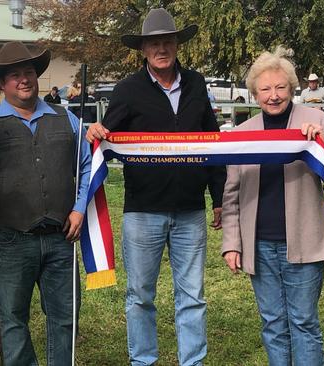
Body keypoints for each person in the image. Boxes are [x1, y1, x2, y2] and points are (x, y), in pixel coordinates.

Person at [85, 8, 225, 366]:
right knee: (140, 294)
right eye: (154, 43)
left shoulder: (196, 84)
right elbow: (107, 135)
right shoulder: (128, 89)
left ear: (177, 44)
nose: (161, 48)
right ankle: (143, 361)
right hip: (143, 211)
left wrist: (219, 197)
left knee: (192, 294)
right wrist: (96, 132)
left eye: (167, 41)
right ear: (144, 49)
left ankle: (192, 361)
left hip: (191, 209)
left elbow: (210, 144)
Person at [0, 41, 91, 366]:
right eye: (15, 75)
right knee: (12, 321)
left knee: (66, 318)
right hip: (11, 240)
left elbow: (87, 164)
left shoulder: (67, 120)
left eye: (29, 72)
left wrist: (79, 207)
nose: (24, 79)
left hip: (62, 238)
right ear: (3, 84)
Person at [221, 47, 324, 366]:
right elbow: (232, 193)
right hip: (259, 244)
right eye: (265, 89)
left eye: (280, 87)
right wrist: (232, 244)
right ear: (254, 93)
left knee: (303, 323)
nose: (273, 96)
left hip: (304, 241)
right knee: (273, 325)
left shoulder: (315, 120)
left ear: (292, 88)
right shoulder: (242, 133)